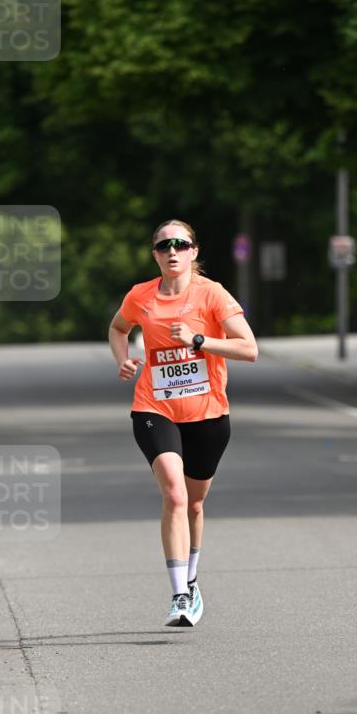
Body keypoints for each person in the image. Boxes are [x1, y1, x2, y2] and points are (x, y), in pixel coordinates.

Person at [109, 219, 258, 627]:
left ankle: (192, 582)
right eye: (163, 245)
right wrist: (122, 358)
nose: (172, 251)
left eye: (181, 244)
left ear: (194, 251)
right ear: (155, 254)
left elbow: (249, 349)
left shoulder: (211, 294)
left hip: (208, 413)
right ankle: (178, 595)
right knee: (174, 495)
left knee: (194, 502)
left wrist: (198, 340)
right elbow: (119, 327)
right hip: (154, 407)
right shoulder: (141, 296)